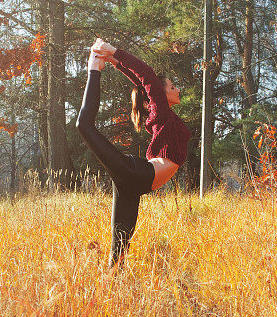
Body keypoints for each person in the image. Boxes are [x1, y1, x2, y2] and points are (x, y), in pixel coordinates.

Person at [76, 38, 191, 269]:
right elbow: (146, 76)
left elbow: (143, 83)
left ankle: (113, 288)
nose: (177, 89)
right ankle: (93, 70)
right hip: (138, 175)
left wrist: (117, 61)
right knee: (84, 125)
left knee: (119, 250)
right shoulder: (161, 112)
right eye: (172, 86)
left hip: (135, 184)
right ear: (158, 96)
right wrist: (114, 53)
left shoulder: (164, 116)